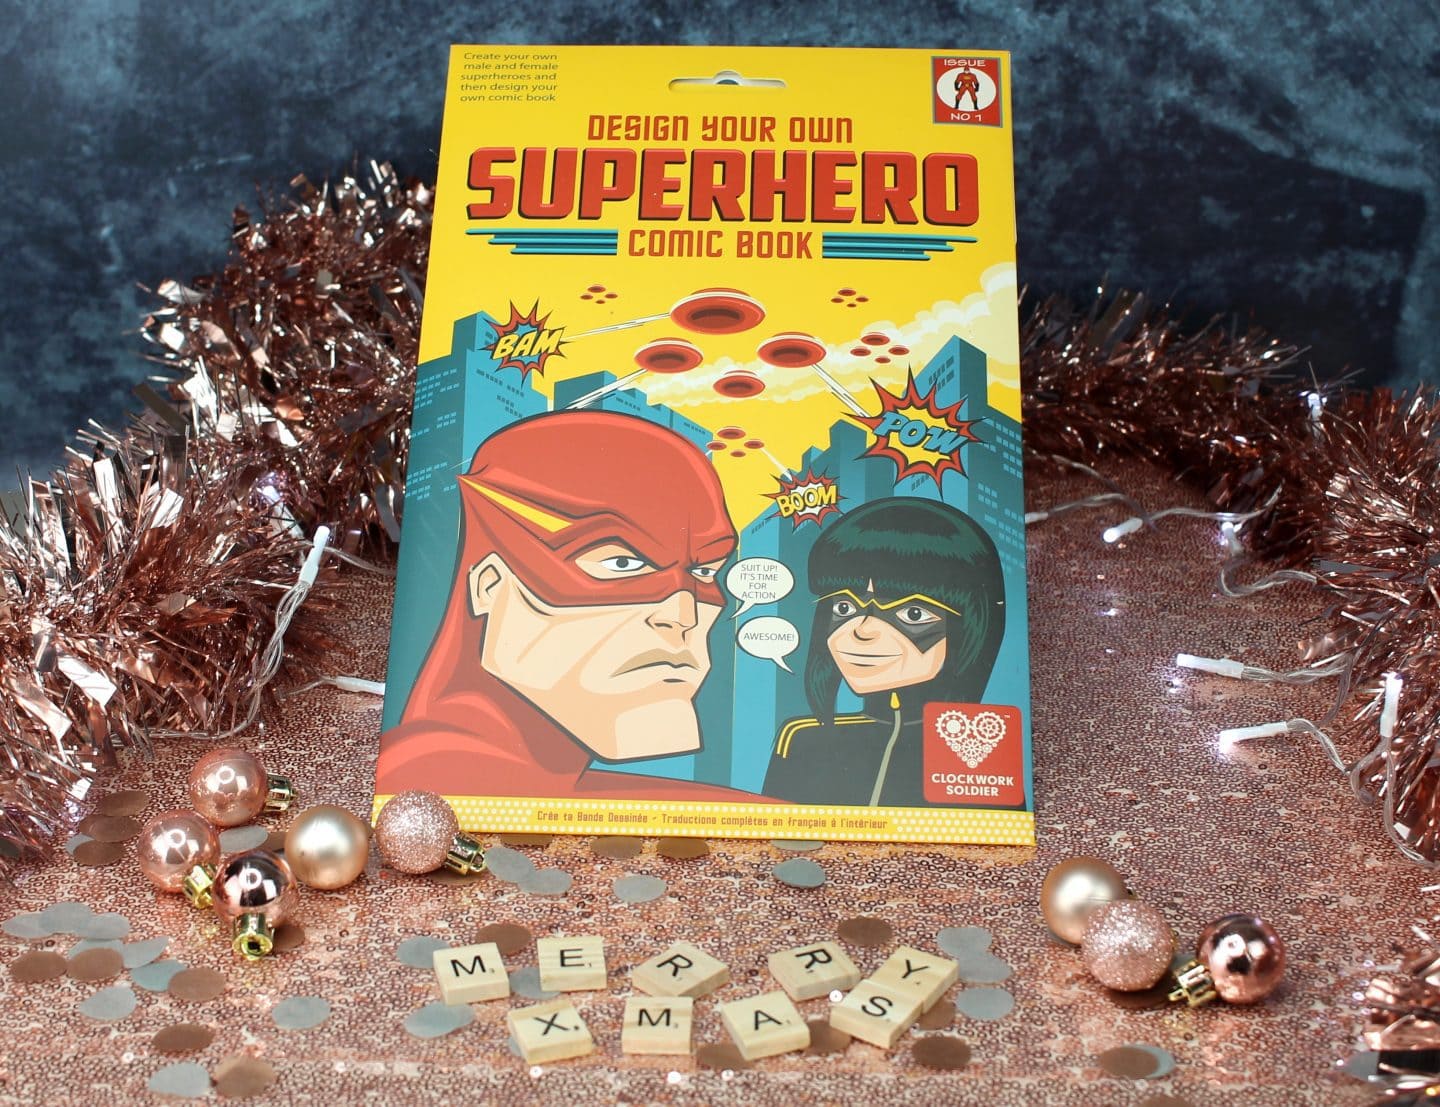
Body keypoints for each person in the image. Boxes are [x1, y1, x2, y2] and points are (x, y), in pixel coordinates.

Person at [376, 410, 758, 800]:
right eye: (622, 563)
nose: (681, 617)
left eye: (704, 571)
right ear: (490, 586)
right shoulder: (435, 783)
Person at [763, 497, 1005, 807]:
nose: (862, 630)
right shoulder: (801, 738)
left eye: (912, 614)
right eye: (844, 607)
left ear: (972, 625)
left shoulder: (981, 744)